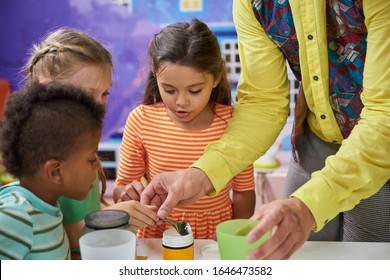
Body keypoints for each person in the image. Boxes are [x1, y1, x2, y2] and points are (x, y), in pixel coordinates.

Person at [140, 0, 390, 259]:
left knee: (370, 263)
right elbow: (264, 101)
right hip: (313, 141)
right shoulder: (253, 4)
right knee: (293, 257)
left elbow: (385, 116)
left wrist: (308, 205)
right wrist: (202, 174)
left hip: (380, 153)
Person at [22, 28, 158, 258]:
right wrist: (112, 217)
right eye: (88, 93)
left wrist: (122, 206)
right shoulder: (40, 156)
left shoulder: (78, 143)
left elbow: (87, 211)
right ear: (48, 90)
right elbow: (48, 236)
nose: (99, 105)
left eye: (104, 94)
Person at [113, 18, 255, 239]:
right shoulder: (141, 120)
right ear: (155, 75)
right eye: (169, 89)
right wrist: (129, 194)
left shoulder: (232, 123)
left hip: (215, 236)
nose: (181, 101)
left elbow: (244, 192)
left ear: (216, 78)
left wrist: (234, 237)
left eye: (195, 91)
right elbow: (121, 188)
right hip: (158, 234)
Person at [0, 82, 105, 259]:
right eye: (91, 159)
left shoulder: (46, 208)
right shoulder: (15, 217)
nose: (97, 166)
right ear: (56, 171)